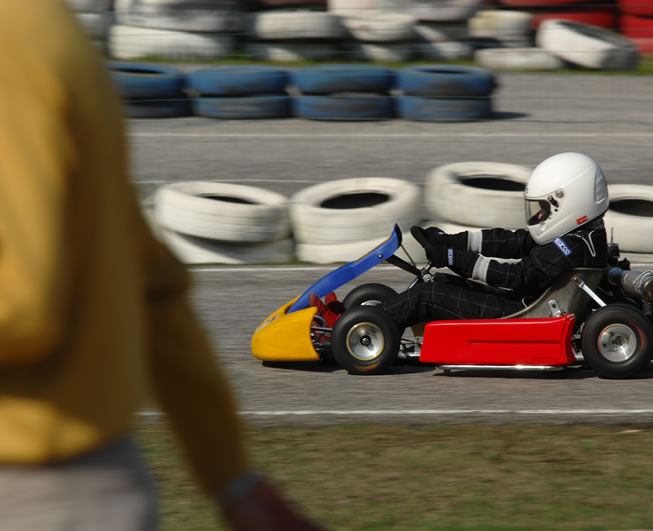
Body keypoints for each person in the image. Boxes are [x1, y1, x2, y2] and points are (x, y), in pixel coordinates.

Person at [0, 2, 322, 530]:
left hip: (27, 485)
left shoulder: (10, 46)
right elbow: (153, 287)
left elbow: (24, 305)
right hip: (81, 482)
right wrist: (230, 474)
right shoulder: (49, 29)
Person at [380, 152, 611, 329]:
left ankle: (368, 328)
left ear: (570, 202)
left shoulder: (571, 246)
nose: (540, 216)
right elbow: (515, 241)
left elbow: (517, 277)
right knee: (440, 283)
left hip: (522, 312)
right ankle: (379, 317)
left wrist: (452, 257)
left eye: (544, 208)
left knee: (428, 294)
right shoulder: (582, 236)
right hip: (524, 302)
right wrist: (452, 241)